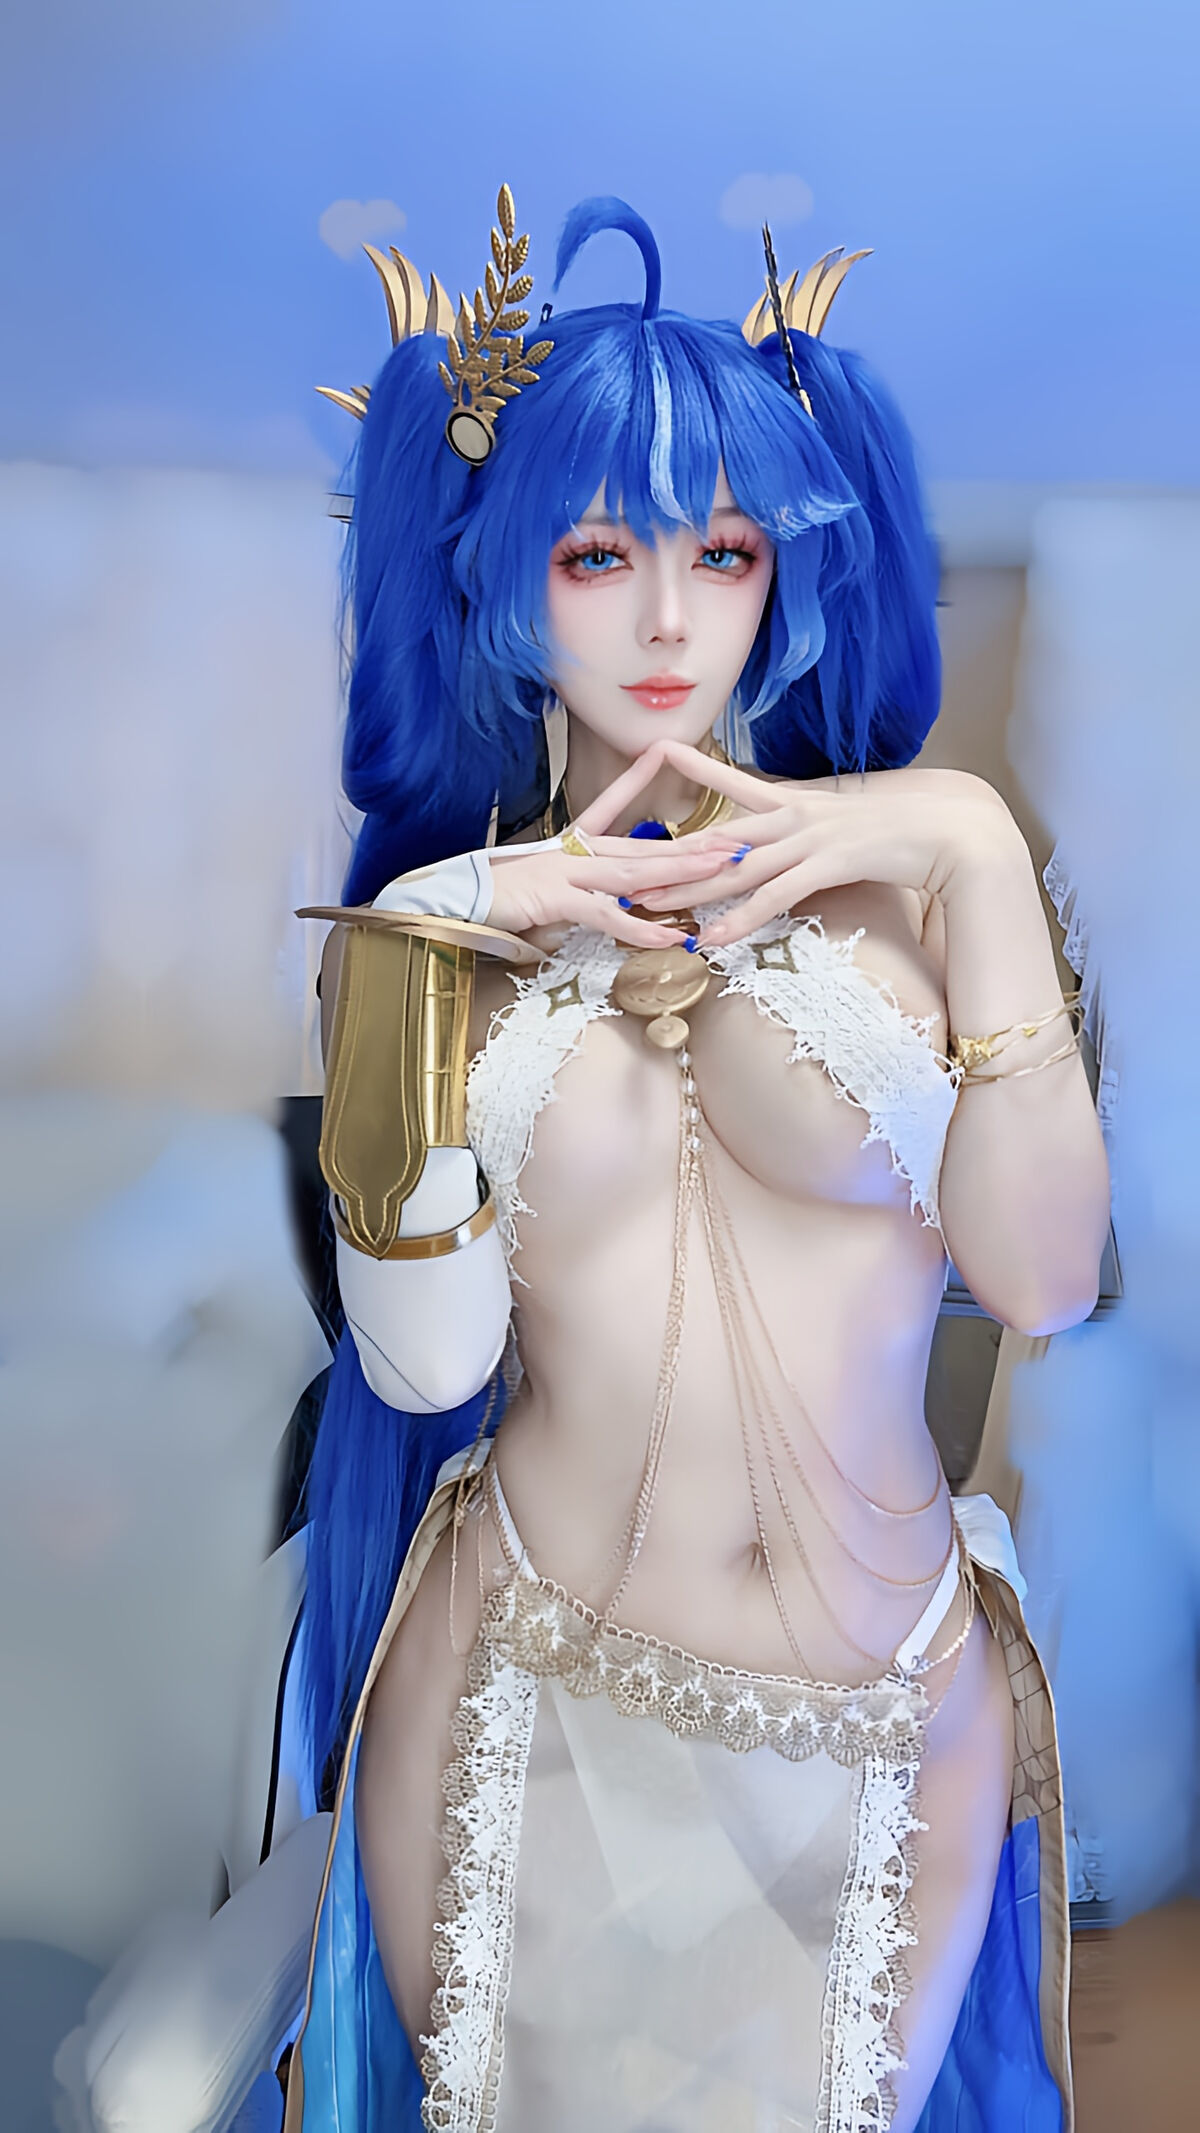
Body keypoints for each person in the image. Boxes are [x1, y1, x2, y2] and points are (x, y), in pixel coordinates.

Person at [285, 191, 1110, 2132]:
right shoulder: (443, 951)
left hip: (881, 1714)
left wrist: (974, 847)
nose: (668, 619)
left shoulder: (916, 903)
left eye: (723, 550)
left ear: (784, 571)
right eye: (599, 553)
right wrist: (436, 926)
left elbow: (1048, 1278)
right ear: (504, 575)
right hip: (515, 1682)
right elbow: (425, 1359)